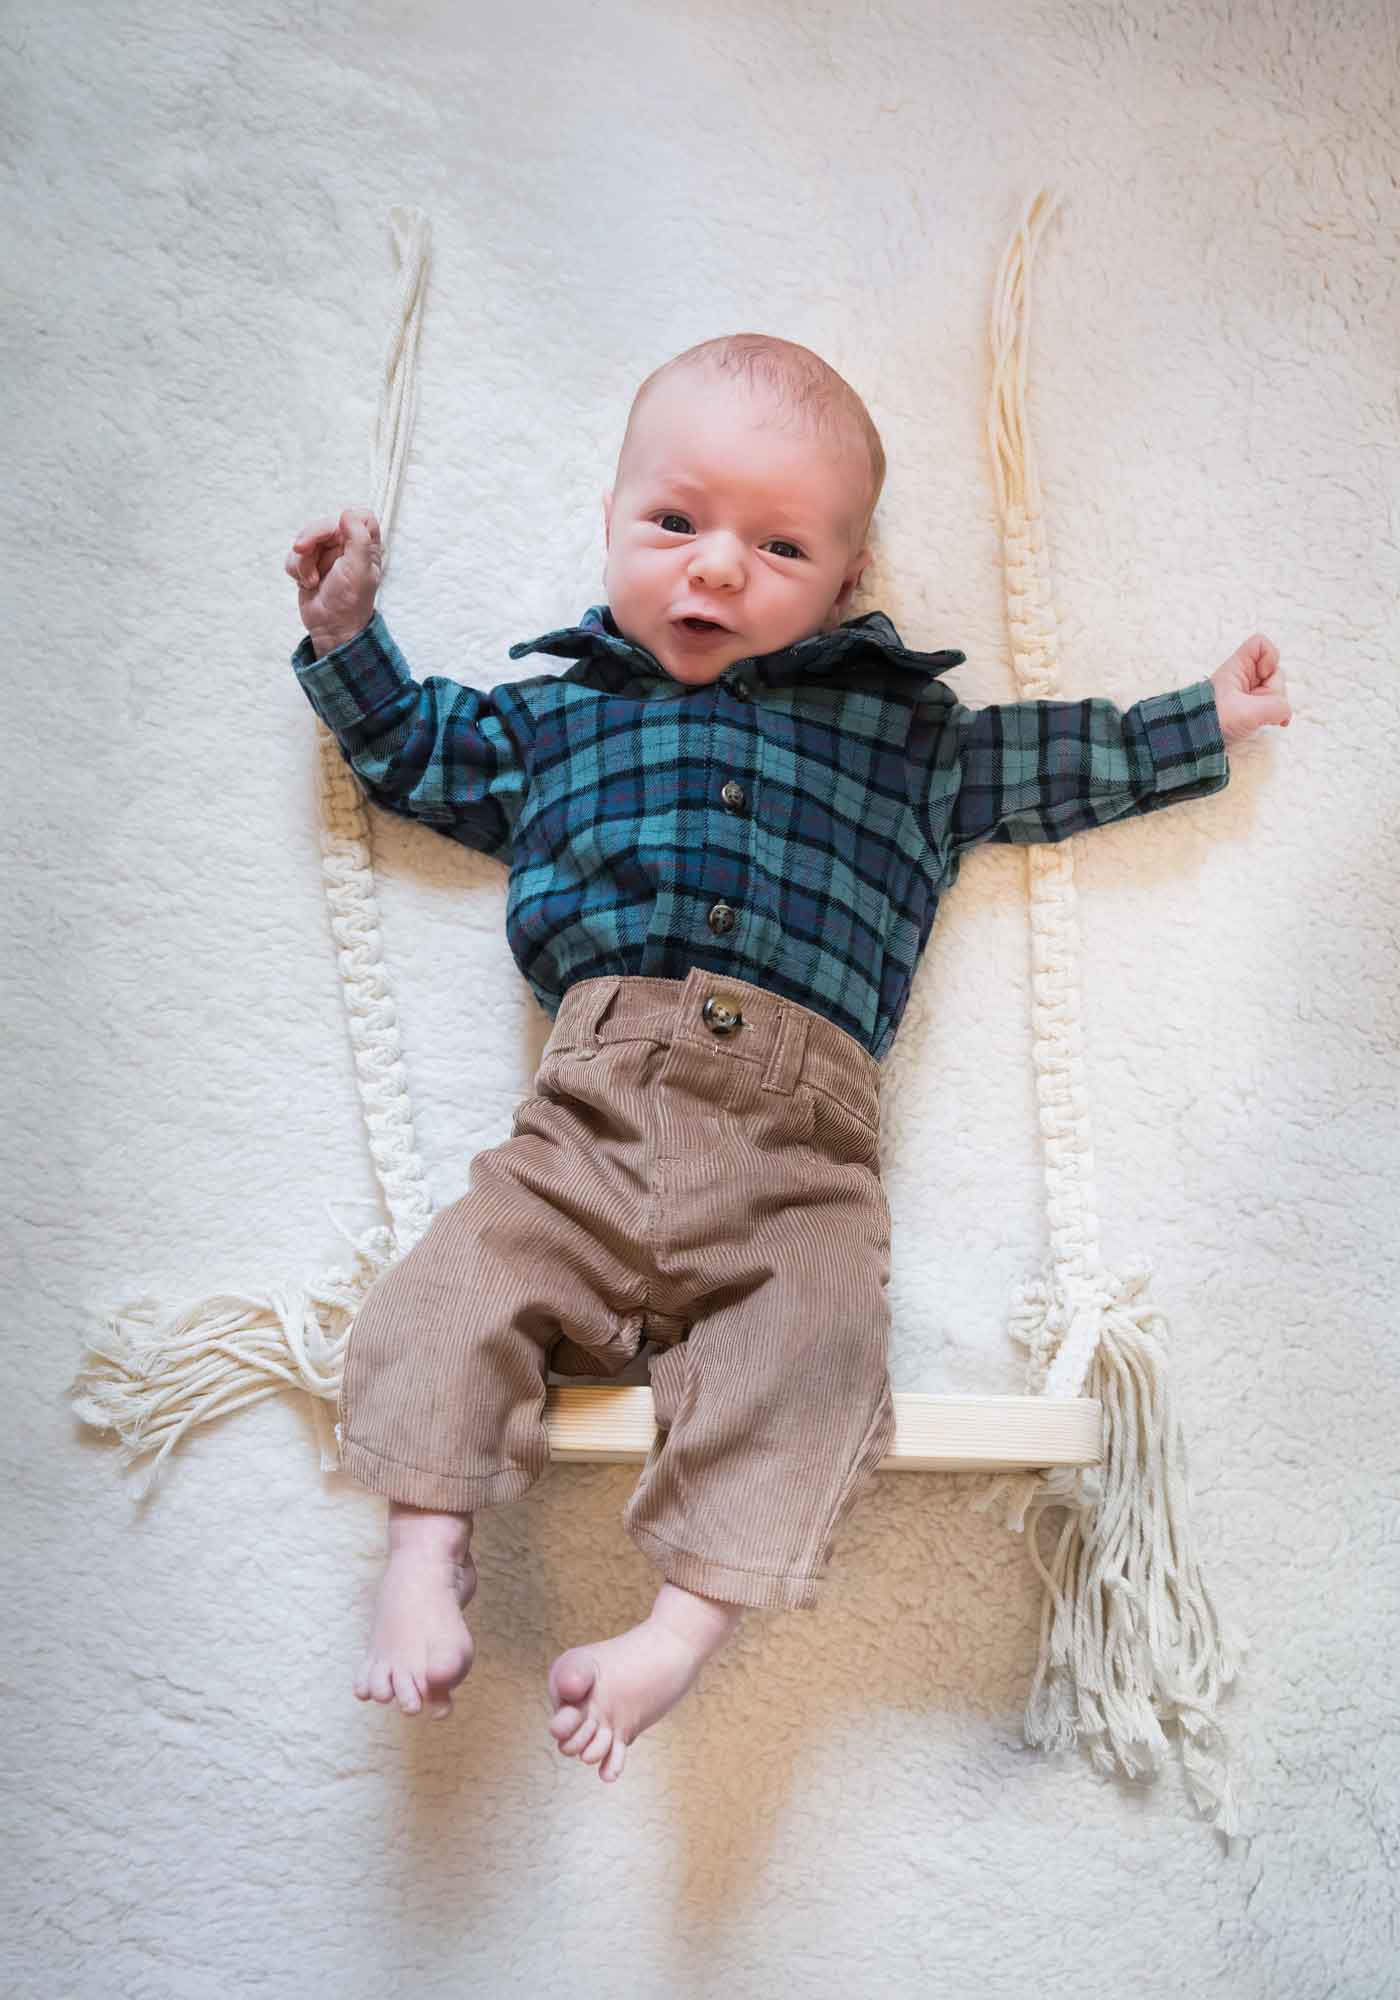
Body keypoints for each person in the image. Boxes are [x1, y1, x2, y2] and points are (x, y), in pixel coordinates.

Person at [285, 333, 1292, 1784]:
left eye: (780, 546)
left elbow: (1046, 764)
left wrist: (1201, 721)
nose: (715, 571)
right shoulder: (562, 715)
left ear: (848, 577)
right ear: (613, 522)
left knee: (821, 1360)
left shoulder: (907, 737)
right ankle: (424, 1547)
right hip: (586, 1124)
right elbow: (417, 753)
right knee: (449, 1288)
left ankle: (678, 1635)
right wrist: (345, 635)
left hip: (801, 1159)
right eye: (676, 524)